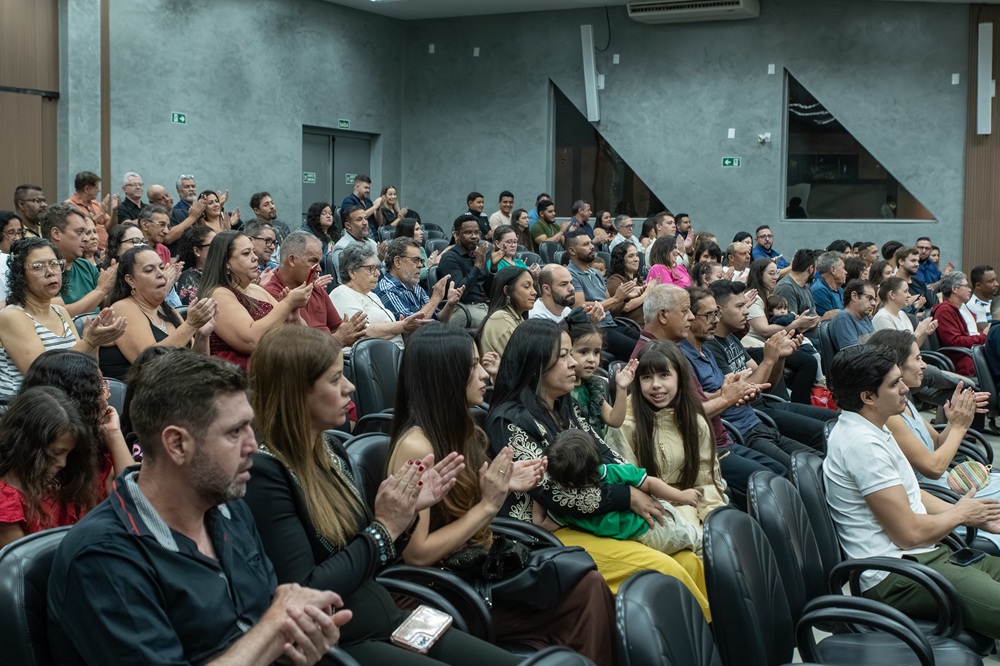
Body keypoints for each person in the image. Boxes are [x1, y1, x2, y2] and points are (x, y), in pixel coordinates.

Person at [47, 350, 351, 664]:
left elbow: (260, 629)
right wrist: (275, 628)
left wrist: (297, 636)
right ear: (177, 444)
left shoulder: (229, 508)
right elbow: (267, 627)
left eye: (250, 427)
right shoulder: (102, 557)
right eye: (235, 432)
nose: (252, 446)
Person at [242, 325, 518, 665]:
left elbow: (371, 555)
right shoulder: (266, 474)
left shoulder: (331, 450)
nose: (350, 387)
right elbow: (305, 590)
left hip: (386, 616)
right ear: (296, 392)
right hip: (342, 642)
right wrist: (384, 528)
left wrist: (406, 515)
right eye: (334, 380)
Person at [387, 324, 618, 660]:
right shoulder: (416, 445)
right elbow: (418, 554)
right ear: (445, 375)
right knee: (582, 590)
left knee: (585, 582)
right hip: (443, 588)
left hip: (473, 567)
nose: (484, 375)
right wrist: (488, 504)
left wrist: (502, 484)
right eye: (473, 367)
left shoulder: (465, 429)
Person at [483, 319, 711, 615]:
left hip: (591, 518)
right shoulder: (509, 420)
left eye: (570, 354)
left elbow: (605, 453)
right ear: (537, 364)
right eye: (563, 356)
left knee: (687, 559)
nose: (573, 364)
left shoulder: (562, 404)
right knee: (666, 570)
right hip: (544, 534)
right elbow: (553, 493)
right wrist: (627, 497)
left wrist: (638, 486)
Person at [823, 344, 1000, 640]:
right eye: (894, 383)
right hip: (896, 577)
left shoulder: (874, 426)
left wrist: (974, 517)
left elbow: (912, 492)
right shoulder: (862, 445)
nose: (905, 388)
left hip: (921, 557)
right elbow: (909, 534)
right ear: (867, 397)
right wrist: (959, 514)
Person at [870, 329, 998, 546]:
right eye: (918, 358)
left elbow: (938, 443)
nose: (924, 366)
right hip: (938, 496)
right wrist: (958, 426)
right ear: (897, 366)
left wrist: (954, 420)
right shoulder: (889, 415)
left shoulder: (905, 401)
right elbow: (933, 467)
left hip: (947, 484)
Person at [681, 287, 817, 470]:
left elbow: (762, 385)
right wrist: (769, 360)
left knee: (817, 460)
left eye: (716, 314)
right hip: (742, 429)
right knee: (794, 470)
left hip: (756, 418)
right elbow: (696, 406)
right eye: (739, 306)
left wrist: (778, 358)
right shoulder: (696, 351)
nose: (715, 319)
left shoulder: (709, 346)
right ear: (689, 317)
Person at [604, 339, 727, 532]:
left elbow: (706, 482)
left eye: (664, 375)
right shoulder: (625, 424)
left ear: (680, 377)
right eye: (646, 377)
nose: (656, 385)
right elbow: (629, 486)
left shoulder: (694, 421)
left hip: (692, 507)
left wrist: (712, 522)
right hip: (652, 515)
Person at [536, 429, 703, 555]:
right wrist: (681, 495)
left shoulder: (566, 505)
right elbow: (650, 484)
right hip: (652, 528)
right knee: (694, 537)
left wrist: (537, 490)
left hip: (637, 538)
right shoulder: (612, 472)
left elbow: (541, 524)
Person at [0, 237, 125, 404]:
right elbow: (41, 376)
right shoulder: (11, 316)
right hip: (29, 412)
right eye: (38, 266)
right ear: (20, 274)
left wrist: (94, 344)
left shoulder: (60, 312)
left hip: (66, 403)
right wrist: (88, 342)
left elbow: (84, 368)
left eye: (54, 264)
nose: (50, 271)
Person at [98, 246, 217, 379]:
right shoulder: (122, 308)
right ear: (131, 280)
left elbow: (200, 364)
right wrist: (190, 325)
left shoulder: (167, 310)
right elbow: (151, 365)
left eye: (161, 267)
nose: (160, 274)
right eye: (149, 270)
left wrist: (202, 335)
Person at [199, 230, 311, 369]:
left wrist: (294, 319)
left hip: (273, 367)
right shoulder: (219, 294)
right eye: (246, 253)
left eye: (253, 251)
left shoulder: (256, 289)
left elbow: (305, 337)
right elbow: (251, 341)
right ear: (226, 262)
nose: (255, 258)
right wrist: (288, 303)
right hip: (236, 377)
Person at [0, 387, 92, 547]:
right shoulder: (6, 503)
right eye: (56, 453)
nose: (63, 463)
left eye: (68, 454)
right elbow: (26, 565)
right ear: (27, 446)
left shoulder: (61, 479)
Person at [263, 230, 366, 346]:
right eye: (313, 261)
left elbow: (337, 329)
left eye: (319, 262)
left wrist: (350, 330)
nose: (319, 269)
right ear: (292, 260)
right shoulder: (270, 294)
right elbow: (296, 350)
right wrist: (337, 340)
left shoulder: (317, 289)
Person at [331, 244, 425, 350]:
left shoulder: (372, 295)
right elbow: (361, 332)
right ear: (352, 272)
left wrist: (405, 332)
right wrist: (402, 326)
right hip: (370, 360)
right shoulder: (342, 294)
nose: (377, 273)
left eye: (377, 268)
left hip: (393, 353)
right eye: (371, 268)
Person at [566, 232, 641, 361]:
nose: (592, 246)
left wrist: (625, 298)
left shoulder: (596, 273)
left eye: (591, 243)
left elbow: (611, 309)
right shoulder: (570, 274)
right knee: (641, 350)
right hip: (596, 328)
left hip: (613, 324)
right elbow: (579, 306)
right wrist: (616, 298)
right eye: (586, 244)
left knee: (651, 342)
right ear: (572, 250)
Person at [565, 315, 637, 436]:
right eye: (583, 352)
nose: (592, 359)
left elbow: (614, 420)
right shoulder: (562, 390)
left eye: (596, 352)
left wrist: (622, 388)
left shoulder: (591, 387)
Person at [375, 236, 460, 323]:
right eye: (415, 260)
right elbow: (411, 328)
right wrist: (435, 298)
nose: (420, 265)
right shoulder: (387, 289)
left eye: (421, 261)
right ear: (397, 262)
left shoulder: (414, 285)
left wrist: (450, 304)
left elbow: (438, 319)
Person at [438, 214, 492, 327]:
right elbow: (459, 293)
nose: (474, 236)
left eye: (477, 233)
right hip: (463, 308)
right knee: (494, 325)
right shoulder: (449, 258)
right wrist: (477, 266)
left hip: (483, 305)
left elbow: (488, 289)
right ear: (457, 235)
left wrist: (494, 268)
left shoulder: (478, 255)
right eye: (468, 232)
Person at [932, 272, 989, 377]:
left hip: (973, 353)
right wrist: (983, 337)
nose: (970, 290)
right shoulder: (944, 310)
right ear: (954, 289)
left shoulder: (962, 308)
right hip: (961, 360)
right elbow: (955, 341)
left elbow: (974, 332)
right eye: (966, 286)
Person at [478, 265, 536, 359]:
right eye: (526, 286)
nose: (534, 292)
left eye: (533, 286)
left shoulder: (515, 316)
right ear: (507, 291)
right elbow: (523, 362)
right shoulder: (500, 319)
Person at [872, 276, 938, 345]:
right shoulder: (882, 318)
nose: (909, 295)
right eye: (905, 291)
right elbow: (897, 350)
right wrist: (918, 332)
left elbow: (914, 346)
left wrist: (924, 333)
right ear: (892, 294)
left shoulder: (902, 313)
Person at [65, 170, 116, 252]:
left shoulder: (96, 204)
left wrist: (115, 211)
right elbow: (83, 228)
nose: (98, 190)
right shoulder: (69, 206)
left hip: (107, 250)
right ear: (87, 189)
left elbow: (111, 228)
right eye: (96, 187)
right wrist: (101, 214)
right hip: (88, 252)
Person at [331, 205, 383, 283]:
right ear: (348, 225)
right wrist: (379, 259)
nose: (365, 223)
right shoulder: (342, 247)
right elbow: (349, 279)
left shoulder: (371, 242)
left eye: (365, 218)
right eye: (359, 220)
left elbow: (384, 271)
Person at [607, 242, 655, 326]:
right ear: (621, 259)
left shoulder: (637, 280)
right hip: (635, 327)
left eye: (637, 255)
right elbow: (626, 307)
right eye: (631, 256)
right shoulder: (615, 279)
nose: (636, 259)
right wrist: (647, 293)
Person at [828, 279, 877, 351]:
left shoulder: (865, 317)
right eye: (869, 298)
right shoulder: (843, 318)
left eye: (874, 300)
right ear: (854, 296)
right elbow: (853, 356)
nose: (874, 303)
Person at [174, 224, 216, 305]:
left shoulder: (221, 271)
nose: (219, 248)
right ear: (197, 251)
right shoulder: (188, 278)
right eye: (213, 245)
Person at [895, 246, 931, 316]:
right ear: (901, 261)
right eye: (913, 261)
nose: (917, 264)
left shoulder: (919, 282)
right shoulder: (892, 284)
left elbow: (930, 307)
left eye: (918, 261)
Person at [810, 251, 846, 317]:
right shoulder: (819, 290)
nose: (846, 272)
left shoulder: (840, 290)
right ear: (833, 270)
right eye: (843, 268)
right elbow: (834, 320)